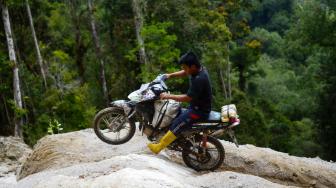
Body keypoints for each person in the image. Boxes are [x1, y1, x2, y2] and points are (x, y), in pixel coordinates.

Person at [148, 51, 212, 154]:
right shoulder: (197, 70)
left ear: (193, 66)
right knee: (174, 115)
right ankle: (190, 140)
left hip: (199, 111)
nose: (184, 70)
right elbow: (184, 72)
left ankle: (159, 147)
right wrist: (170, 75)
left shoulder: (200, 79)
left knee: (177, 125)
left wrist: (168, 96)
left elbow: (187, 98)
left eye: (185, 67)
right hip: (195, 107)